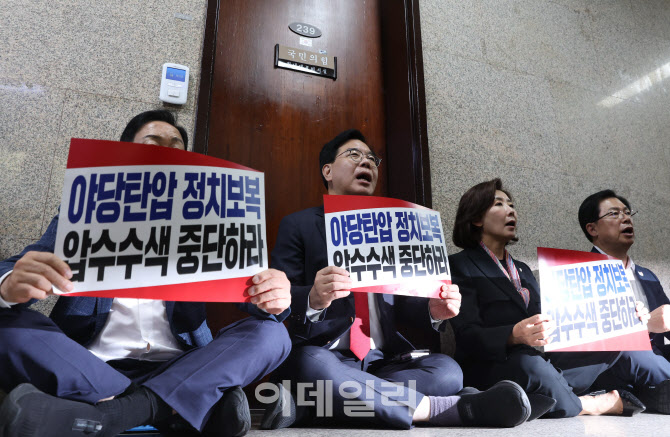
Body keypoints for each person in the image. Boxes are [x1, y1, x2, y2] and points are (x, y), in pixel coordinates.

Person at [0, 110, 292, 437]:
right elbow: (15, 265)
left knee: (272, 335)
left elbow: (253, 295)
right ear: (125, 155)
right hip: (88, 364)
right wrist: (8, 285)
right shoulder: (85, 210)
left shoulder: (211, 220)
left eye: (176, 148)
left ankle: (114, 414)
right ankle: (177, 407)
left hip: (181, 365)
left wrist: (274, 295)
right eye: (153, 145)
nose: (167, 154)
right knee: (5, 323)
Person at [263, 130, 531, 430]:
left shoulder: (393, 229)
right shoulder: (298, 224)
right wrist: (314, 298)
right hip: (325, 354)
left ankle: (315, 405)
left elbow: (403, 306)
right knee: (311, 365)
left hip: (383, 364)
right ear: (327, 171)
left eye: (371, 158)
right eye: (354, 155)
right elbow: (278, 299)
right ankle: (445, 409)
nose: (366, 162)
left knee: (447, 372)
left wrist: (433, 311)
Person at [449, 178, 670, 418]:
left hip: (544, 361)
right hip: (495, 365)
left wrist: (625, 320)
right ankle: (588, 404)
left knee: (621, 344)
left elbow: (558, 324)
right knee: (532, 365)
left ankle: (562, 398)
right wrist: (513, 335)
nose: (511, 210)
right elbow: (467, 336)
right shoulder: (460, 265)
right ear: (476, 218)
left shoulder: (523, 270)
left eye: (511, 205)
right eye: (499, 204)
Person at [579, 190, 670, 361]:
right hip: (614, 366)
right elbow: (584, 337)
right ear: (592, 228)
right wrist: (643, 325)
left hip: (660, 362)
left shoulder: (648, 275)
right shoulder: (579, 275)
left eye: (628, 213)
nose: (626, 218)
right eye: (614, 214)